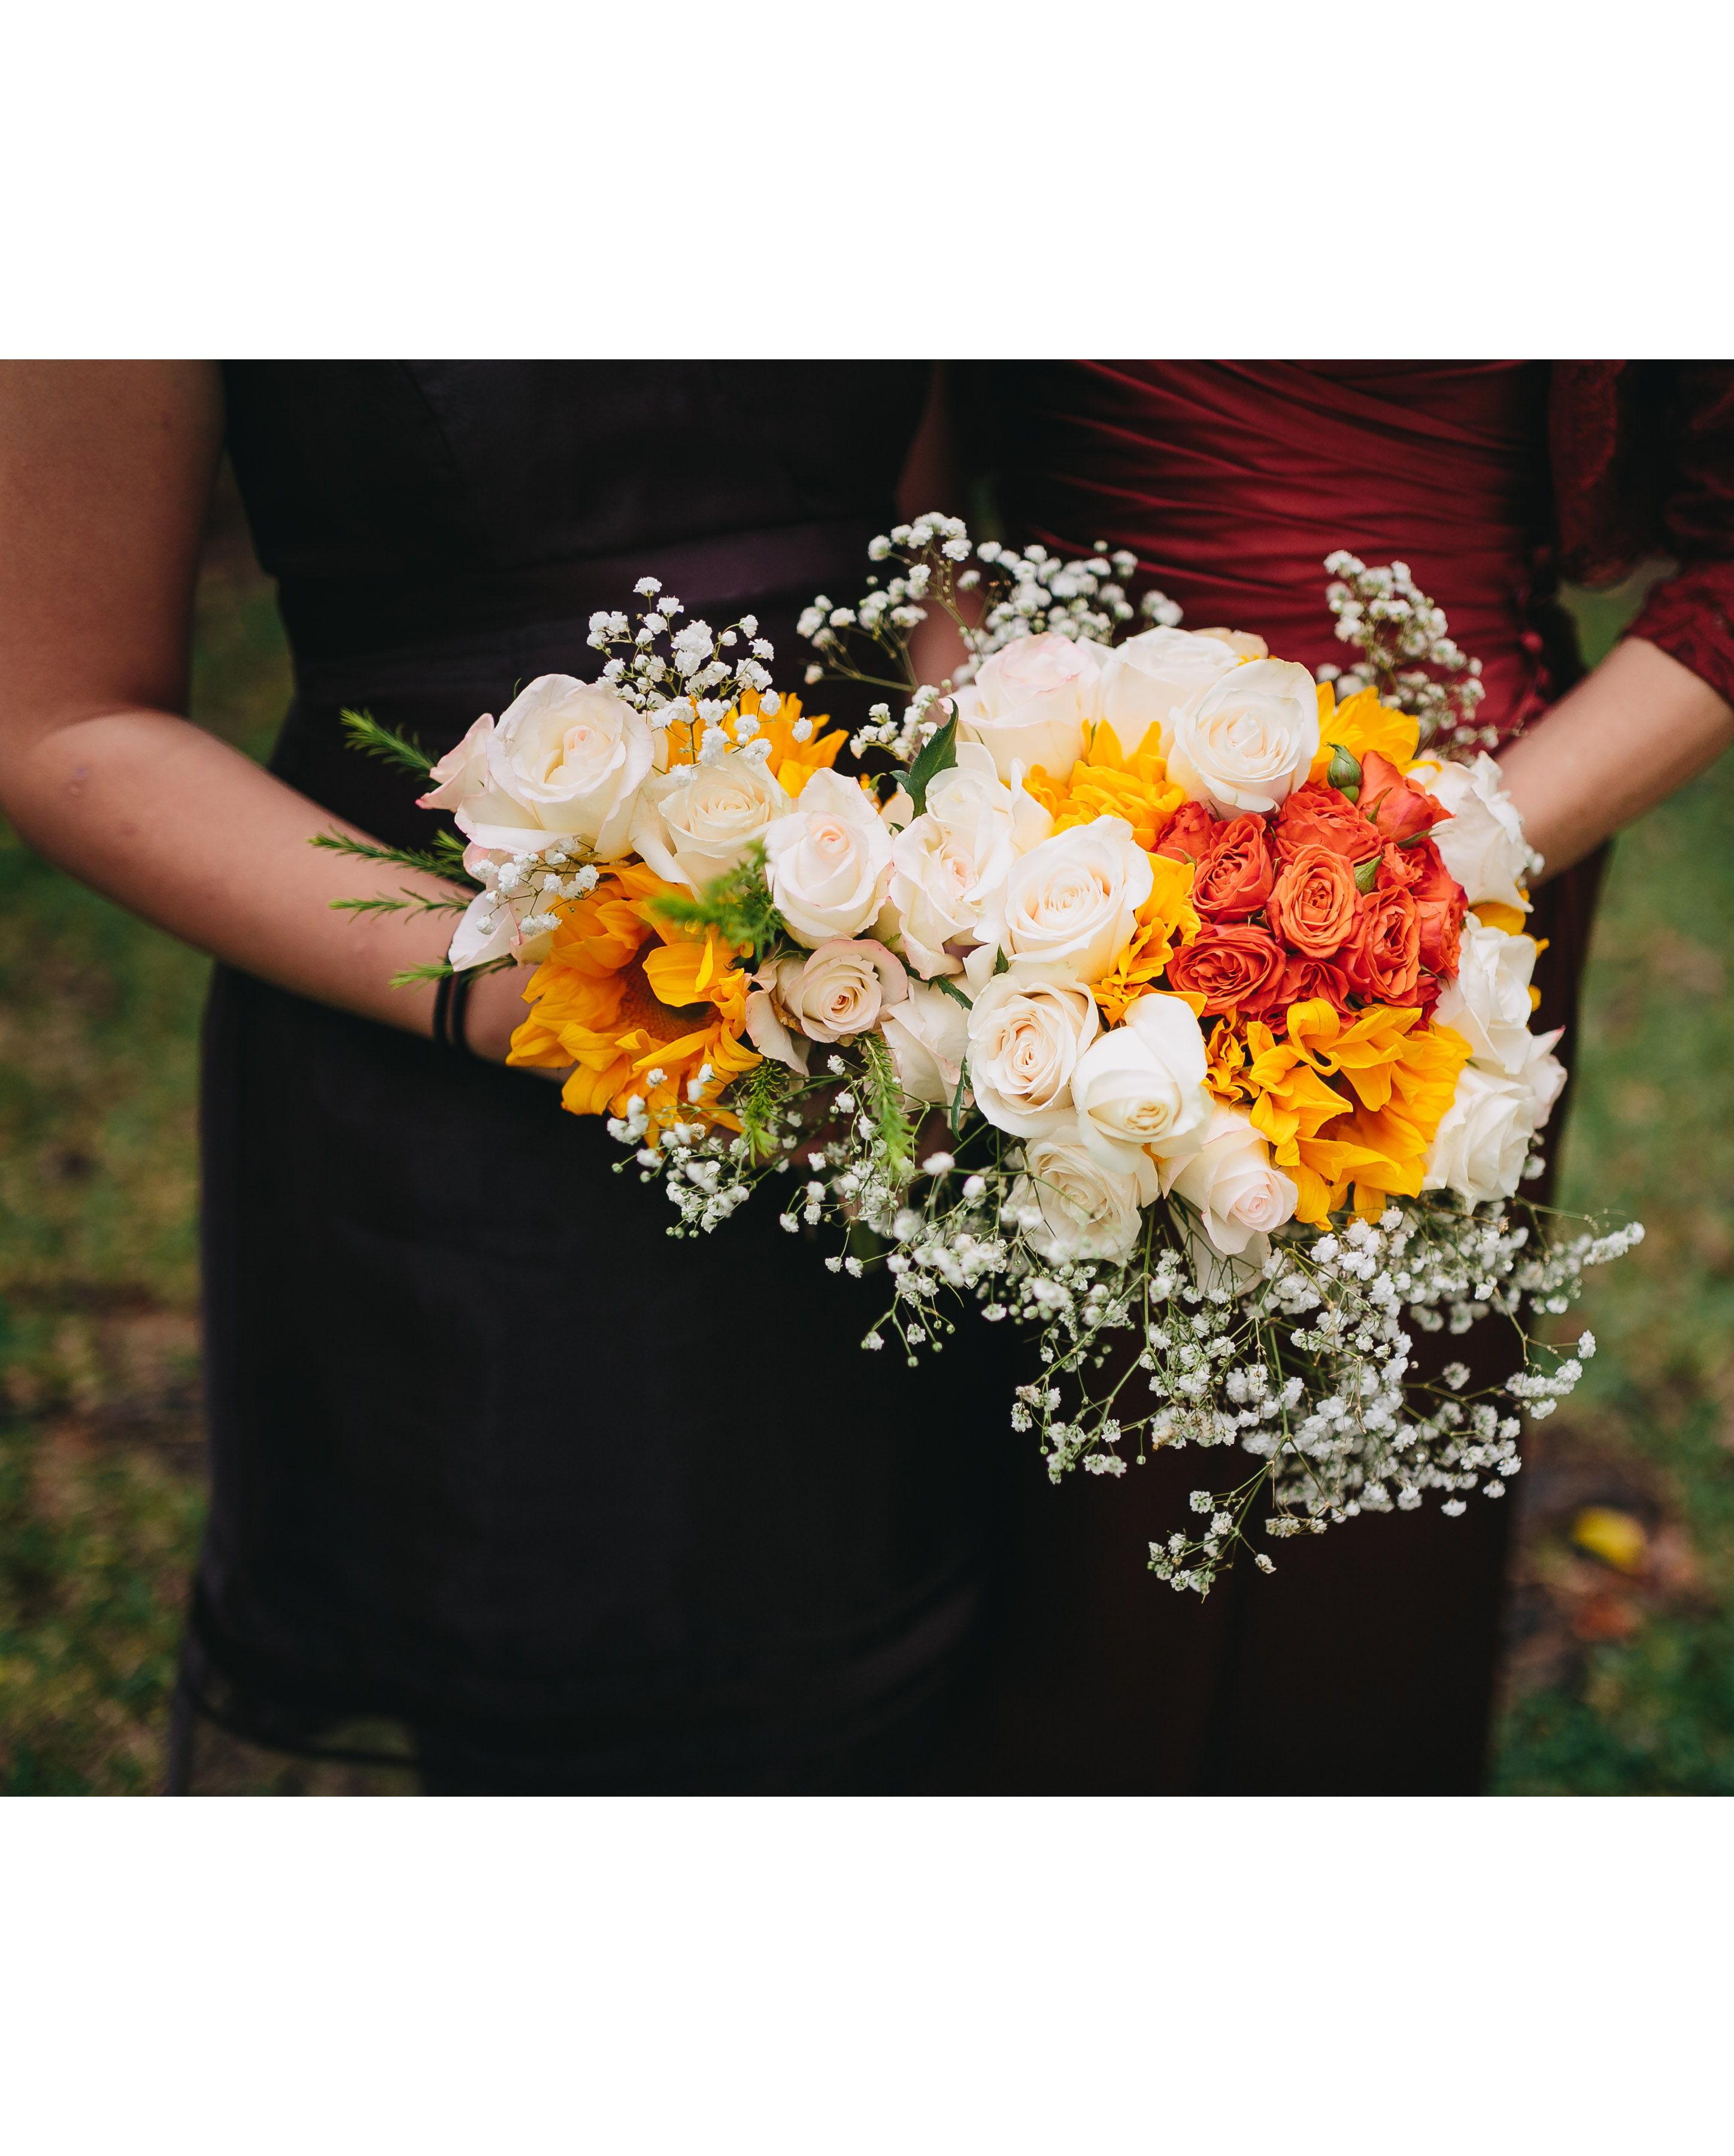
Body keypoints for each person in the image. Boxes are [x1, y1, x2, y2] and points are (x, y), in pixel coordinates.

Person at [0, 361, 1018, 1793]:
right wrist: (528, 987)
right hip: (453, 1081)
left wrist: (1008, 878)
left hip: (902, 1034)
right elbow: (56, 719)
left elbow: (918, 551)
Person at [926, 361, 1734, 1791]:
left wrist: (1422, 874)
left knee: (1344, 1567)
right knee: (1048, 1519)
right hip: (1047, 874)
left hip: (1452, 889)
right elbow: (909, 460)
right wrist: (989, 805)